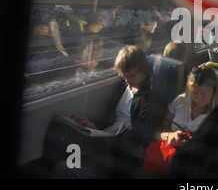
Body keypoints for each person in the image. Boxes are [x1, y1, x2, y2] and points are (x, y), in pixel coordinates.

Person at [48, 45, 168, 178]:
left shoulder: (152, 96)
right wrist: (93, 126)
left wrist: (106, 139)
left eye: (131, 76)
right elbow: (109, 120)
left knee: (63, 169)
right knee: (58, 129)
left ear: (144, 70)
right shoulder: (122, 87)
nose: (127, 80)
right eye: (124, 76)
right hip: (105, 141)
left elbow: (139, 138)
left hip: (120, 154)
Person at [143, 64, 218, 177]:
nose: (198, 98)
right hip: (169, 162)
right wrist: (168, 136)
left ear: (213, 92)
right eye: (195, 93)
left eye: (203, 94)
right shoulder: (180, 102)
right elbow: (157, 132)